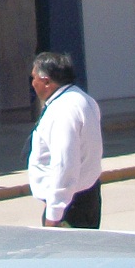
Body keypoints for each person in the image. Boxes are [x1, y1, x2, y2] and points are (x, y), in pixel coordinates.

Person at [27, 51, 103, 228]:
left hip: (69, 206)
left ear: (46, 81)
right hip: (86, 195)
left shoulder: (63, 110)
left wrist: (53, 215)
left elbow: (64, 164)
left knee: (68, 255)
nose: (32, 84)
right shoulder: (83, 100)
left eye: (34, 78)